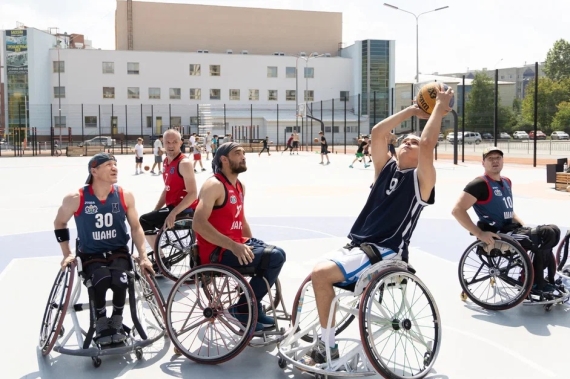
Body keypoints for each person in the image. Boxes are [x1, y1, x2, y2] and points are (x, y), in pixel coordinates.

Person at [301, 85, 452, 366]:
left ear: (422, 154)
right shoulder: (386, 168)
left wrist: (439, 108)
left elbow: (429, 143)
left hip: (386, 251)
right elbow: (377, 134)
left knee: (321, 274)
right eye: (405, 139)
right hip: (359, 245)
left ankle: (327, 348)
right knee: (317, 274)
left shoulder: (422, 180)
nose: (408, 141)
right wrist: (410, 111)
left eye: (414, 141)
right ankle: (327, 336)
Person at [54, 152, 154, 345]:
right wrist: (67, 254)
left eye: (115, 164)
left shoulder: (125, 195)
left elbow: (136, 227)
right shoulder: (76, 197)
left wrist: (143, 255)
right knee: (100, 280)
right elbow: (59, 223)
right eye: (108, 164)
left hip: (118, 252)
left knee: (120, 280)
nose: (114, 167)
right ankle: (100, 322)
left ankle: (116, 321)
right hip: (91, 254)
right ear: (94, 170)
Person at [191, 142, 286, 331]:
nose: (243, 156)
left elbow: (240, 220)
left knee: (274, 256)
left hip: (233, 245)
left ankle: (252, 305)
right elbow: (198, 223)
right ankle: (242, 309)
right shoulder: (214, 185)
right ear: (224, 160)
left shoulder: (240, 186)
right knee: (274, 257)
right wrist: (234, 246)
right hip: (216, 251)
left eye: (244, 153)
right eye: (237, 153)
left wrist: (252, 244)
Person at [451, 146, 560, 292]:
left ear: (502, 161)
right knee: (545, 233)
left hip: (511, 230)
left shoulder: (506, 181)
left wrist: (524, 226)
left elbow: (509, 211)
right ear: (483, 163)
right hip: (497, 235)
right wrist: (479, 234)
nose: (495, 161)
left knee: (553, 230)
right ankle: (532, 282)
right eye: (490, 158)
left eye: (498, 158)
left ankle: (542, 279)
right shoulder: (479, 184)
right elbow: (457, 210)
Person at [139, 130, 198, 265]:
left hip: (186, 210)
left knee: (144, 220)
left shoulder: (184, 163)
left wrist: (173, 213)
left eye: (175, 142)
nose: (171, 145)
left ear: (181, 143)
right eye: (168, 142)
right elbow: (167, 189)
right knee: (148, 219)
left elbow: (193, 194)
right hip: (174, 207)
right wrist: (156, 210)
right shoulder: (166, 162)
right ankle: (160, 257)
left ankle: (161, 262)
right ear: (163, 143)